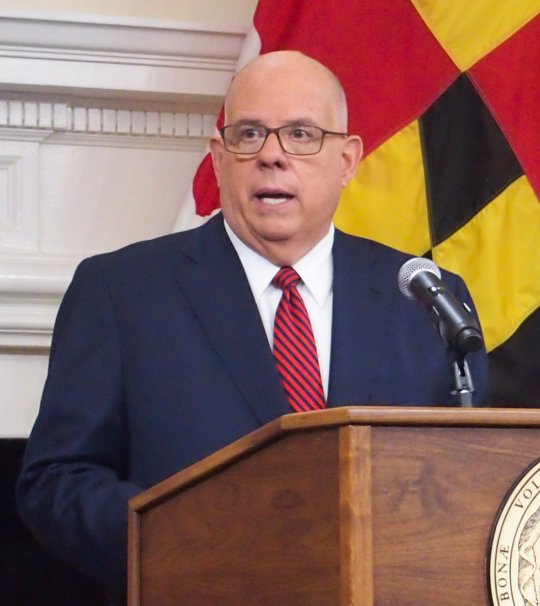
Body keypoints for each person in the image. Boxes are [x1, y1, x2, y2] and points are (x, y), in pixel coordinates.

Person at [16, 50, 489, 604]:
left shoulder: (425, 297)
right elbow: (57, 482)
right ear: (219, 158)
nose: (272, 156)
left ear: (347, 158)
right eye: (249, 135)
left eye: (301, 134)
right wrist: (187, 539)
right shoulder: (122, 292)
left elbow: (466, 483)